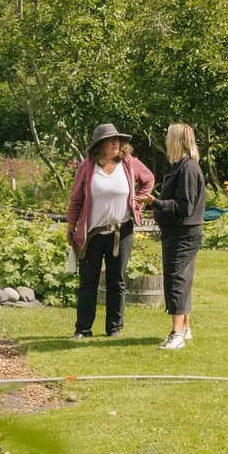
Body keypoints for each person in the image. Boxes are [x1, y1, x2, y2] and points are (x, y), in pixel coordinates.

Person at [65, 122, 154, 338]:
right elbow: (76, 198)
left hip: (121, 231)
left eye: (118, 140)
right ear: (99, 145)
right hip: (92, 233)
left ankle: (115, 328)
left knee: (117, 280)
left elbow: (149, 180)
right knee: (88, 282)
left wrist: (137, 201)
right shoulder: (87, 166)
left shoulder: (129, 163)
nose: (116, 143)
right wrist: (71, 227)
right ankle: (83, 329)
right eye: (110, 140)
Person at [154, 122, 206, 350]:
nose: (166, 142)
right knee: (183, 280)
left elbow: (184, 206)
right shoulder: (184, 166)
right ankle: (185, 328)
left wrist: (154, 202)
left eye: (168, 138)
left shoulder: (187, 168)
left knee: (176, 280)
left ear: (176, 141)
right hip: (181, 233)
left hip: (182, 234)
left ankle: (176, 334)